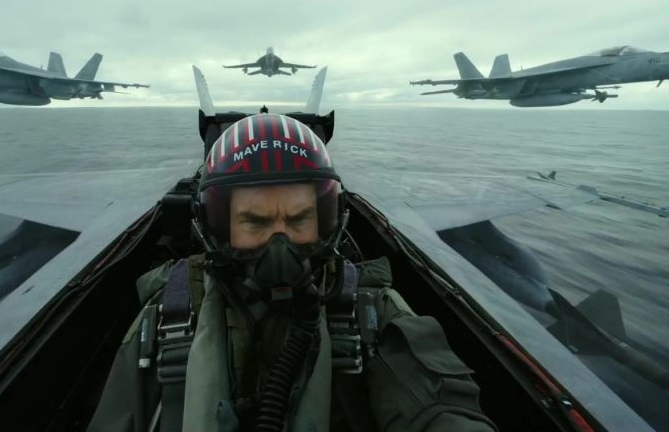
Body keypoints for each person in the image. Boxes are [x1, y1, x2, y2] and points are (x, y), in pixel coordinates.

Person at [88, 114, 496, 432]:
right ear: (216, 229)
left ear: (327, 221)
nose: (279, 248)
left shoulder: (371, 314)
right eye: (255, 222)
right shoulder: (166, 320)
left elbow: (442, 410)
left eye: (299, 219)